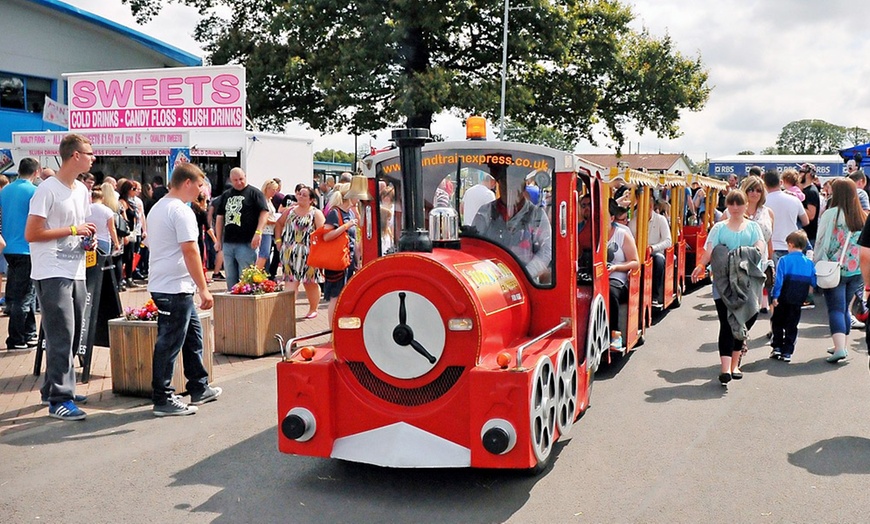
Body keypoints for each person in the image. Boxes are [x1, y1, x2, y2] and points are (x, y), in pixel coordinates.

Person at [25, 133, 97, 421]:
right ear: (75, 155)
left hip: (76, 268)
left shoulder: (81, 189)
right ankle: (59, 398)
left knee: (74, 331)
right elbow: (32, 234)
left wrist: (86, 238)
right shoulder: (46, 190)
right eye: (89, 152)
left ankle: (55, 388)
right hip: (51, 271)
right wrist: (72, 231)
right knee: (61, 334)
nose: (93, 157)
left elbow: (81, 226)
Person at [146, 162, 220, 417]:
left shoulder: (159, 207)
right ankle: (163, 397)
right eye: (200, 184)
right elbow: (190, 250)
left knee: (192, 337)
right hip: (173, 288)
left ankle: (199, 386)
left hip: (172, 285)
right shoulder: (180, 211)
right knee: (170, 343)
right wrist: (203, 288)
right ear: (187, 183)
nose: (201, 190)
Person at [691, 189, 766, 385]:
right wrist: (701, 265)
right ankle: (726, 369)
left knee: (743, 320)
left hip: (746, 282)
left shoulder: (753, 227)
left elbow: (760, 246)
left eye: (738, 204)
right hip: (723, 283)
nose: (734, 208)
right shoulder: (719, 228)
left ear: (745, 206)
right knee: (726, 323)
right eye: (731, 204)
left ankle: (735, 364)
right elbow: (709, 250)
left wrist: (750, 253)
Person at [814, 178, 864, 364]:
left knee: (835, 308)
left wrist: (816, 261)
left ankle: (840, 348)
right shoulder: (862, 216)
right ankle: (841, 344)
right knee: (845, 308)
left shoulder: (831, 214)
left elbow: (820, 241)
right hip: (856, 269)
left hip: (833, 268)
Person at [472, 172, 552, 283]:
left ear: (524, 187)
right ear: (499, 185)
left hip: (527, 283)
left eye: (515, 184)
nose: (510, 189)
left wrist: (525, 274)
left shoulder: (537, 214)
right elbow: (474, 245)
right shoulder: (485, 211)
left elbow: (547, 250)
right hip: (491, 282)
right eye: (505, 184)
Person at [1, 157, 39, 351]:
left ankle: (29, 333)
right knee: (24, 296)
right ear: (36, 172)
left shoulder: (5, 190)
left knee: (23, 293)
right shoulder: (35, 192)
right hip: (27, 247)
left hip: (8, 248)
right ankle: (15, 338)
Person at [275, 185, 325, 319]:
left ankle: (313, 309)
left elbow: (322, 233)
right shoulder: (290, 211)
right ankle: (287, 311)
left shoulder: (316, 213)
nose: (300, 197)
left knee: (310, 283)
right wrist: (278, 241)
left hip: (309, 253)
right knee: (290, 282)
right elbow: (279, 224)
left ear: (311, 200)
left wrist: (319, 252)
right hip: (289, 252)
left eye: (304, 195)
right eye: (299, 194)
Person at [214, 168, 269, 290]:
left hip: (247, 243)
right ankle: (233, 306)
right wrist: (218, 239)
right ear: (230, 180)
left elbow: (264, 213)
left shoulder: (255, 193)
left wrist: (258, 232)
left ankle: (246, 306)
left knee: (245, 279)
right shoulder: (226, 195)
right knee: (230, 278)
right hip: (228, 243)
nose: (239, 182)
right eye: (235, 180)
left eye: (241, 179)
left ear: (245, 177)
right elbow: (220, 217)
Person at [769, 230, 816, 363]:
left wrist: (775, 296)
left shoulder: (784, 260)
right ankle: (788, 351)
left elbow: (779, 280)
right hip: (798, 298)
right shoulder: (809, 263)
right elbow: (813, 281)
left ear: (790, 244)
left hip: (783, 296)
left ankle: (777, 346)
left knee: (777, 321)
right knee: (792, 324)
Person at [322, 183, 359, 325]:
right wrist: (345, 226)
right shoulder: (334, 213)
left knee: (343, 295)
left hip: (347, 260)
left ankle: (338, 327)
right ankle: (332, 329)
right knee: (335, 296)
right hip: (337, 261)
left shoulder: (349, 212)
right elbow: (326, 235)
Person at [607, 202, 640, 348]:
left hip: (618, 280)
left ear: (611, 218)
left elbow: (635, 262)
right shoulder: (591, 233)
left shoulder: (622, 234)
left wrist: (616, 267)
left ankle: (615, 334)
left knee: (609, 292)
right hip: (596, 277)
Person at [630, 197, 671, 306]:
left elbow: (668, 241)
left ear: (651, 207)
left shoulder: (660, 220)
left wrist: (653, 248)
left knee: (659, 260)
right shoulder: (634, 222)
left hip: (655, 252)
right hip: (638, 252)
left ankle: (655, 296)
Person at [764, 169, 809, 264]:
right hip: (792, 245)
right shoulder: (794, 200)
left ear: (765, 184)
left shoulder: (763, 202)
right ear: (780, 182)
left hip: (772, 247)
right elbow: (805, 221)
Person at [256, 179, 279, 271]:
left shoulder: (269, 200)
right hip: (265, 230)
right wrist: (275, 222)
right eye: (273, 189)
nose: (275, 192)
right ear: (267, 188)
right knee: (264, 253)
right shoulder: (263, 200)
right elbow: (262, 217)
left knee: (267, 254)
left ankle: (263, 274)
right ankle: (255, 274)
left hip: (270, 230)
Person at [798, 163, 821, 246]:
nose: (799, 174)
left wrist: (797, 204)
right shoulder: (804, 190)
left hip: (809, 236)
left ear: (808, 174)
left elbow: (811, 215)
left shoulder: (811, 191)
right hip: (804, 235)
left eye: (801, 172)